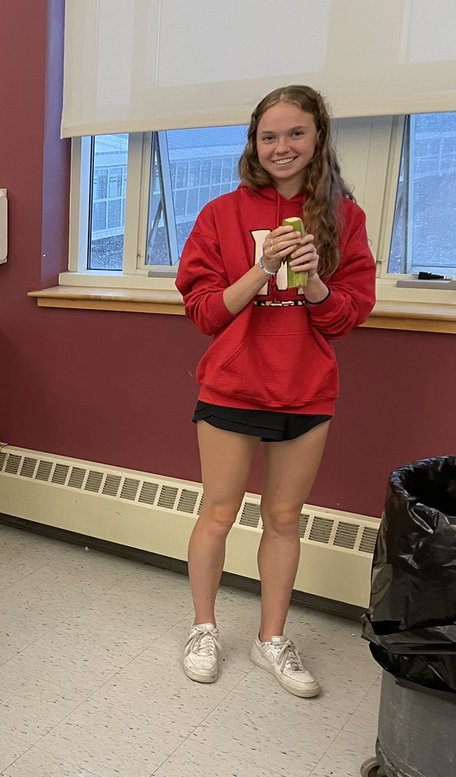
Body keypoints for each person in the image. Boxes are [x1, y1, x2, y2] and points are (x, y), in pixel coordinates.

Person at [177, 85, 376, 697]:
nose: (281, 146)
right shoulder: (220, 214)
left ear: (318, 139)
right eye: (269, 136)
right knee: (218, 513)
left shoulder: (345, 218)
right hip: (232, 387)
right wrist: (262, 269)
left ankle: (271, 639)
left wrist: (313, 283)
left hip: (306, 390)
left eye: (295, 133)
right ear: (254, 144)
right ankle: (203, 628)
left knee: (285, 519)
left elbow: (346, 317)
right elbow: (206, 313)